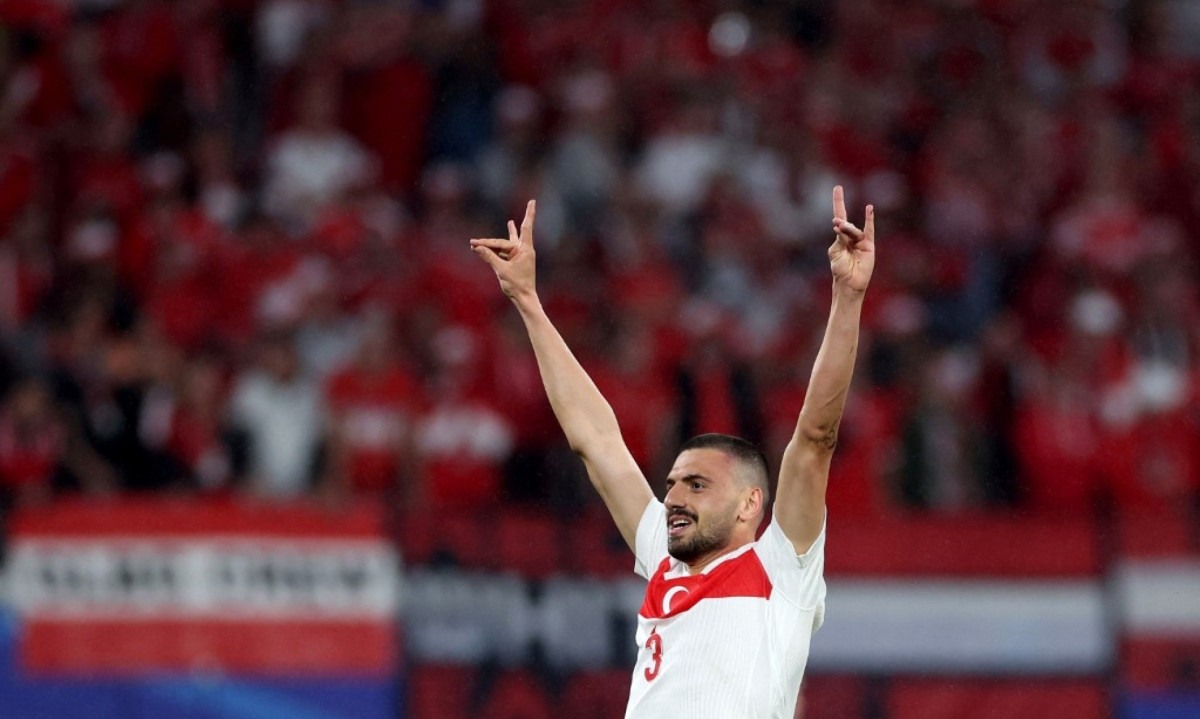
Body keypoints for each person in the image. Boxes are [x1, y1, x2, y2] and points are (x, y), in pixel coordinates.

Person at [470, 185, 875, 718]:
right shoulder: (664, 553)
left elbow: (815, 438)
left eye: (697, 484)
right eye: (674, 484)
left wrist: (848, 300)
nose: (675, 497)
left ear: (751, 504)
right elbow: (596, 441)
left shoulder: (781, 567)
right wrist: (528, 302)